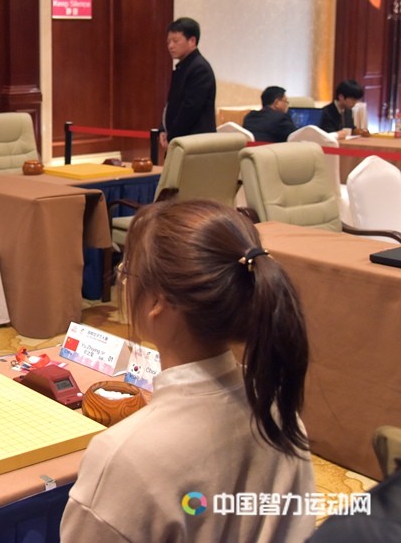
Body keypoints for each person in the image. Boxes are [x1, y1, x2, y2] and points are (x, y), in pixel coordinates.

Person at [61, 199, 316, 542]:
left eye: (127, 271)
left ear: (158, 301)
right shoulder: (277, 408)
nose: (123, 281)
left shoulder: (124, 457)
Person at [159, 17, 217, 152]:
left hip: (194, 143)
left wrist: (171, 137)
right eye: (168, 42)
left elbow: (190, 109)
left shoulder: (199, 68)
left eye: (175, 41)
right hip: (181, 141)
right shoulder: (183, 67)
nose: (170, 46)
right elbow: (171, 104)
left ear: (192, 41)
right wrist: (163, 129)